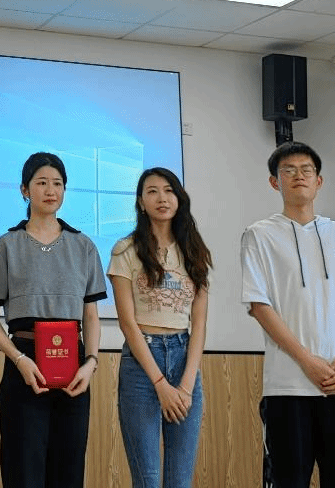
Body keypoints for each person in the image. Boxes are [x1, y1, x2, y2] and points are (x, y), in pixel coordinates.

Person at [240, 141, 335, 488]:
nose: (299, 176)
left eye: (306, 170)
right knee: (289, 480)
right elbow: (259, 305)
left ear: (319, 181)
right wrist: (306, 360)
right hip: (287, 387)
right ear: (274, 182)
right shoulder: (259, 235)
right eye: (288, 171)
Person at [0, 152, 107, 488]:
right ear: (24, 190)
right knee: (23, 470)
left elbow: (91, 315)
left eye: (58, 184)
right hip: (24, 362)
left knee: (68, 471)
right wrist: (19, 359)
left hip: (74, 367)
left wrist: (90, 362)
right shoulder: (6, 245)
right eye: (41, 183)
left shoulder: (84, 246)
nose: (51, 190)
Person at [109, 167, 212, 488]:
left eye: (168, 190)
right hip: (142, 363)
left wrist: (185, 385)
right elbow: (127, 323)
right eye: (152, 191)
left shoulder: (194, 251)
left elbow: (200, 324)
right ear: (141, 202)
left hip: (185, 361)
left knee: (180, 480)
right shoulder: (125, 250)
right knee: (148, 480)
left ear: (179, 198)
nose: (161, 198)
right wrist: (160, 384)